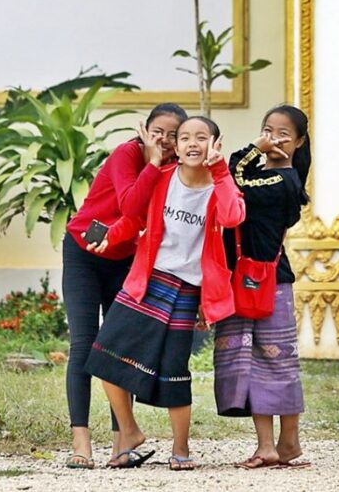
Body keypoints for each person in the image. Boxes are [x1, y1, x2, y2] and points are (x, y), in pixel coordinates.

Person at [85, 116, 246, 471]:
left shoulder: (220, 186)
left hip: (188, 288)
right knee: (103, 356)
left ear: (215, 144)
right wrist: (112, 234)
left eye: (201, 138)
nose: (191, 143)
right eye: (185, 137)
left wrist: (221, 172)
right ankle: (130, 431)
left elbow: (234, 216)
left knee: (175, 371)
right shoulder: (161, 178)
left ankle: (181, 449)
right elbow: (134, 215)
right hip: (148, 279)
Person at [61, 103, 187, 469]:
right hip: (85, 253)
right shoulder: (126, 154)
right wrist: (150, 161)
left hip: (125, 259)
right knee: (84, 344)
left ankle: (122, 443)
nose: (164, 140)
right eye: (158, 131)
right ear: (144, 130)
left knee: (120, 345)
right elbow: (130, 205)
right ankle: (81, 443)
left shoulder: (174, 170)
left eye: (173, 134)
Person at [213, 104, 312, 469]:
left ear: (299, 142)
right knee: (252, 365)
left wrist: (254, 148)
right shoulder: (264, 176)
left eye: (283, 133)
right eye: (268, 129)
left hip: (268, 283)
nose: (274, 138)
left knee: (277, 364)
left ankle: (286, 443)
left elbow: (231, 175)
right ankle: (273, 446)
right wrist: (260, 150)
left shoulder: (282, 182)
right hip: (242, 280)